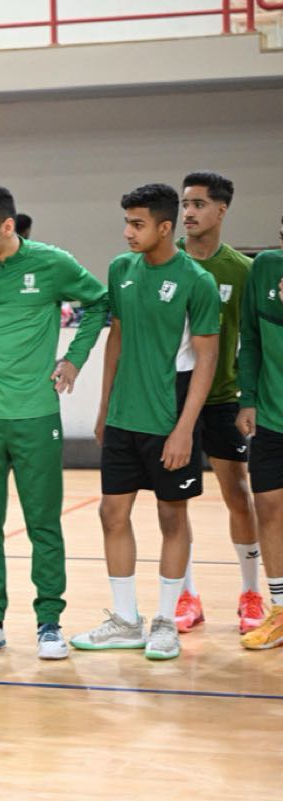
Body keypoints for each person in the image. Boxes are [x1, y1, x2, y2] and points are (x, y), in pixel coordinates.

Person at [0, 186, 108, 660]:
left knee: (43, 525)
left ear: (7, 226)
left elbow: (99, 302)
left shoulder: (52, 264)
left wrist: (74, 358)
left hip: (36, 418)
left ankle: (49, 623)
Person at [71, 183, 219, 661]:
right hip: (123, 417)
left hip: (169, 417)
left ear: (165, 227)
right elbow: (116, 338)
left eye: (138, 224)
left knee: (172, 517)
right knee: (111, 514)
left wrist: (184, 428)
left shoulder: (196, 281)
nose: (128, 232)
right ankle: (125, 620)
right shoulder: (121, 269)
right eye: (127, 223)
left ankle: (166, 622)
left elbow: (207, 359)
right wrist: (103, 408)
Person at [173, 172, 261, 634]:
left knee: (238, 495)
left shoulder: (242, 270)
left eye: (199, 204)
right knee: (175, 501)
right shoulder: (164, 262)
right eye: (185, 204)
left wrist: (250, 398)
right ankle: (186, 595)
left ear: (221, 210)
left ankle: (250, 593)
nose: (188, 213)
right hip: (172, 400)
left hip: (224, 399)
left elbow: (255, 340)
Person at [237, 223, 283, 650]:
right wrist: (247, 398)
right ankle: (280, 610)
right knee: (267, 507)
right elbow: (249, 338)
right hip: (271, 417)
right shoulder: (265, 267)